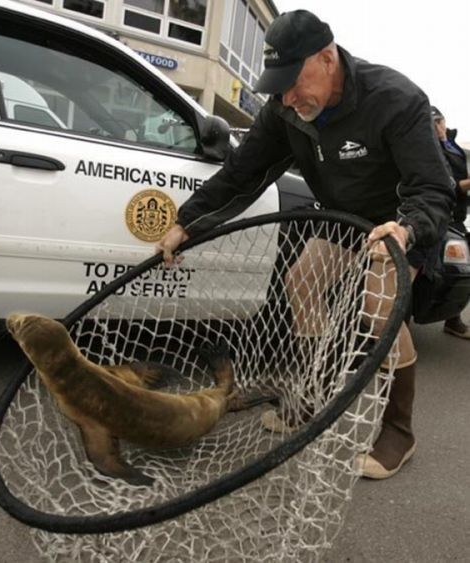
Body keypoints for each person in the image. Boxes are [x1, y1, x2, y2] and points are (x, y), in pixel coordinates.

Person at [157, 10, 454, 479]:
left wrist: (405, 228)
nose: (289, 97)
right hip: (345, 219)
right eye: (279, 85)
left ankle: (399, 430)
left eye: (295, 80)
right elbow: (242, 172)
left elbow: (434, 190)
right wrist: (186, 222)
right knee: (302, 283)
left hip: (402, 222)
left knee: (380, 306)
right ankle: (311, 396)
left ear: (327, 57)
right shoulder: (285, 109)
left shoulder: (394, 100)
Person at [431, 106, 470, 339]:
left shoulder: (452, 144)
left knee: (459, 270)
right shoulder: (432, 149)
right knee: (450, 270)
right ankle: (452, 320)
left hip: (457, 215)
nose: (436, 127)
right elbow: (449, 185)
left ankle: (452, 318)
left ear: (444, 121)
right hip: (442, 215)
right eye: (431, 123)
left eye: (438, 121)